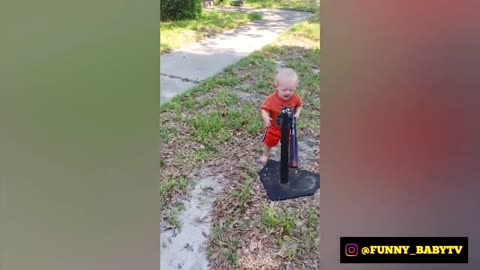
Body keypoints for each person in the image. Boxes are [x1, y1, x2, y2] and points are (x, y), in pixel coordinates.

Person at [258, 68, 303, 165]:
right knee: (269, 142)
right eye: (284, 90)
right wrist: (266, 117)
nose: (288, 92)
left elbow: (299, 105)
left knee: (288, 144)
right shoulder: (272, 99)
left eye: (291, 90)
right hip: (274, 127)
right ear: (277, 87)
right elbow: (264, 109)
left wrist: (297, 113)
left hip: (288, 127)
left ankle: (286, 157)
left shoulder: (295, 97)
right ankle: (265, 155)